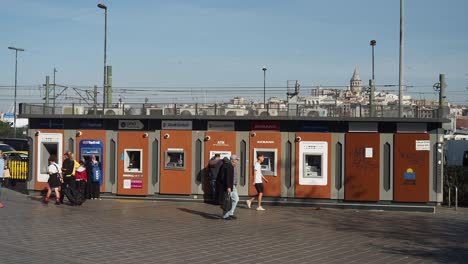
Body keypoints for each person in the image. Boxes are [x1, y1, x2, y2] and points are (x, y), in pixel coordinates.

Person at [220, 154, 240, 220]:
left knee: (236, 199)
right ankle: (225, 215)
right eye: (236, 160)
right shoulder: (229, 166)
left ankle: (230, 213)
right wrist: (228, 187)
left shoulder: (232, 166)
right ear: (233, 160)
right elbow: (228, 177)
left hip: (233, 186)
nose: (237, 161)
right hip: (230, 186)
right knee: (227, 200)